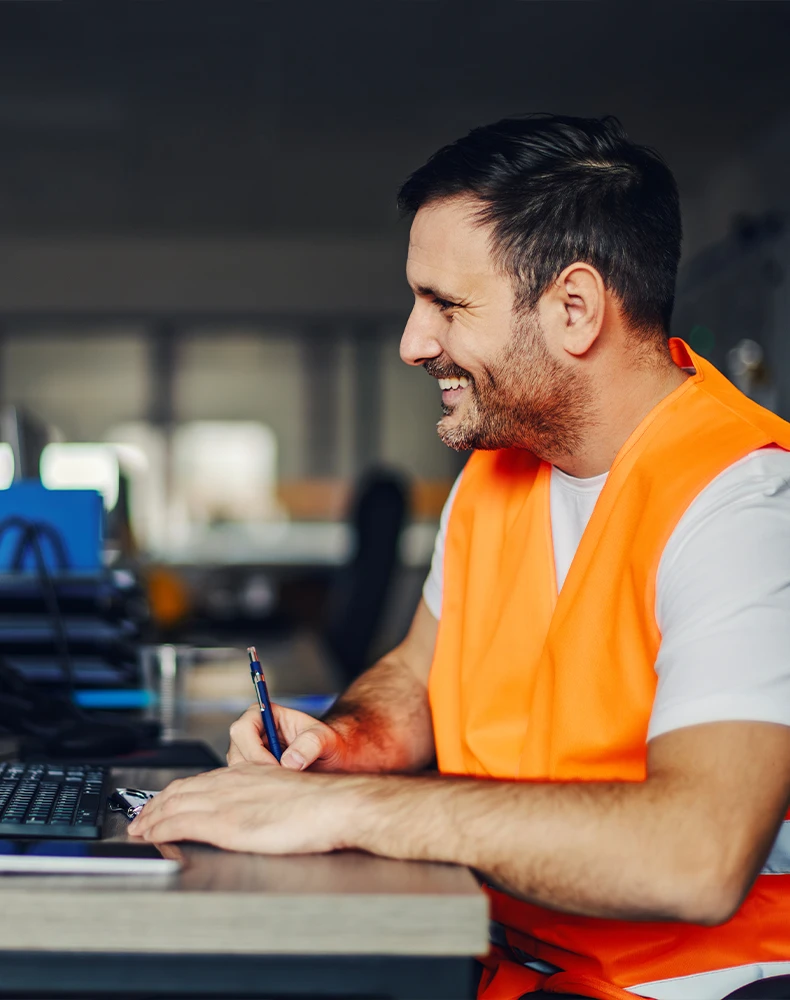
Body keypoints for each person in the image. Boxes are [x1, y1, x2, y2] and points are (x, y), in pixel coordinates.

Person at [130, 116, 790, 1000]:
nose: (412, 341)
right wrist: (344, 743)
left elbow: (698, 855)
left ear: (575, 309)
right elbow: (418, 673)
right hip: (498, 961)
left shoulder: (745, 505)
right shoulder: (496, 473)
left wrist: (345, 808)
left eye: (447, 305)